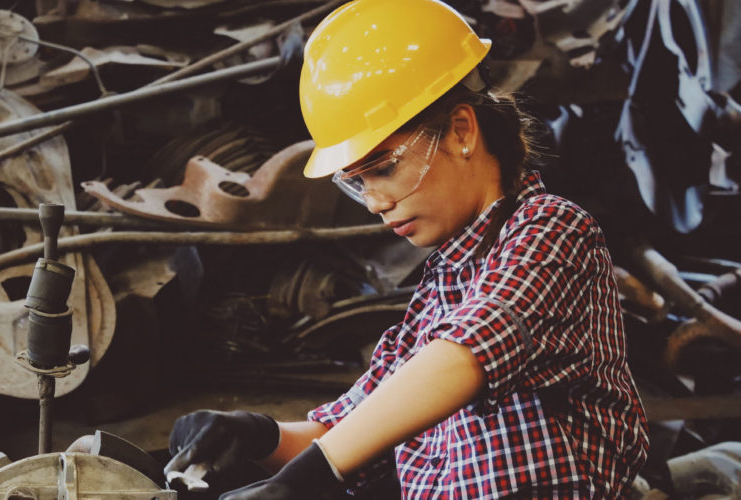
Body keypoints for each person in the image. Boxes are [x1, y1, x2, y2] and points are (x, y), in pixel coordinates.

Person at [164, 0, 650, 497]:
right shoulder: (442, 285)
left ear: (461, 130)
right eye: (356, 183)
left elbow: (468, 352)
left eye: (384, 168)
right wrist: (253, 434)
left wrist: (306, 479)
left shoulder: (552, 231)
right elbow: (354, 432)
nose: (374, 202)